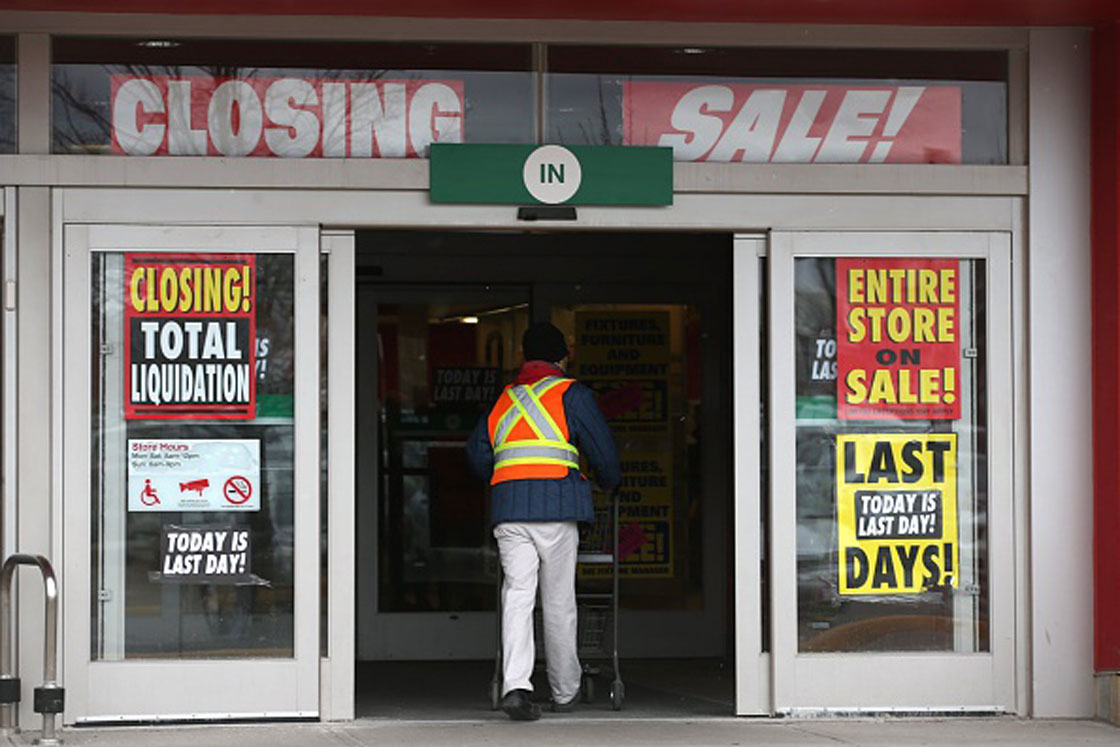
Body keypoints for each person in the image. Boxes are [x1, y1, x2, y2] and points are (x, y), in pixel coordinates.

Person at [467, 321, 620, 721]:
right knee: (557, 600)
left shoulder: (504, 400)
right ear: (562, 357)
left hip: (510, 511)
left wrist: (505, 482)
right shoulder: (572, 394)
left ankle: (516, 686)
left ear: (524, 358)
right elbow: (602, 452)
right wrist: (609, 482)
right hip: (558, 508)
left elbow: (478, 455)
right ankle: (564, 691)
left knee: (517, 595)